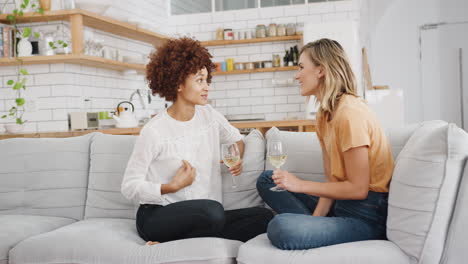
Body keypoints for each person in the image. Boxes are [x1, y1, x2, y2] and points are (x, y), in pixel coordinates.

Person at [121, 37, 273, 245]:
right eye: (199, 80)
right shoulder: (154, 131)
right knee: (213, 212)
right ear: (178, 83)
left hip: (204, 216)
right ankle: (168, 239)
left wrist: (235, 157)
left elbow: (236, 140)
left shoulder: (209, 115)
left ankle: (180, 241)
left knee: (264, 218)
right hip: (159, 215)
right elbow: (129, 186)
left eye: (207, 80)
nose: (207, 87)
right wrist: (171, 186)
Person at [256, 38, 394, 250]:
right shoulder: (324, 115)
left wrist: (299, 185)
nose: (297, 75)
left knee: (281, 227)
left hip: (366, 216)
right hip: (341, 205)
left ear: (320, 71)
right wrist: (315, 220)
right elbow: (332, 180)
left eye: (301, 67)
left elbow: (359, 189)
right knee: (267, 179)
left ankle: (315, 228)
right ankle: (319, 227)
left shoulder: (350, 114)